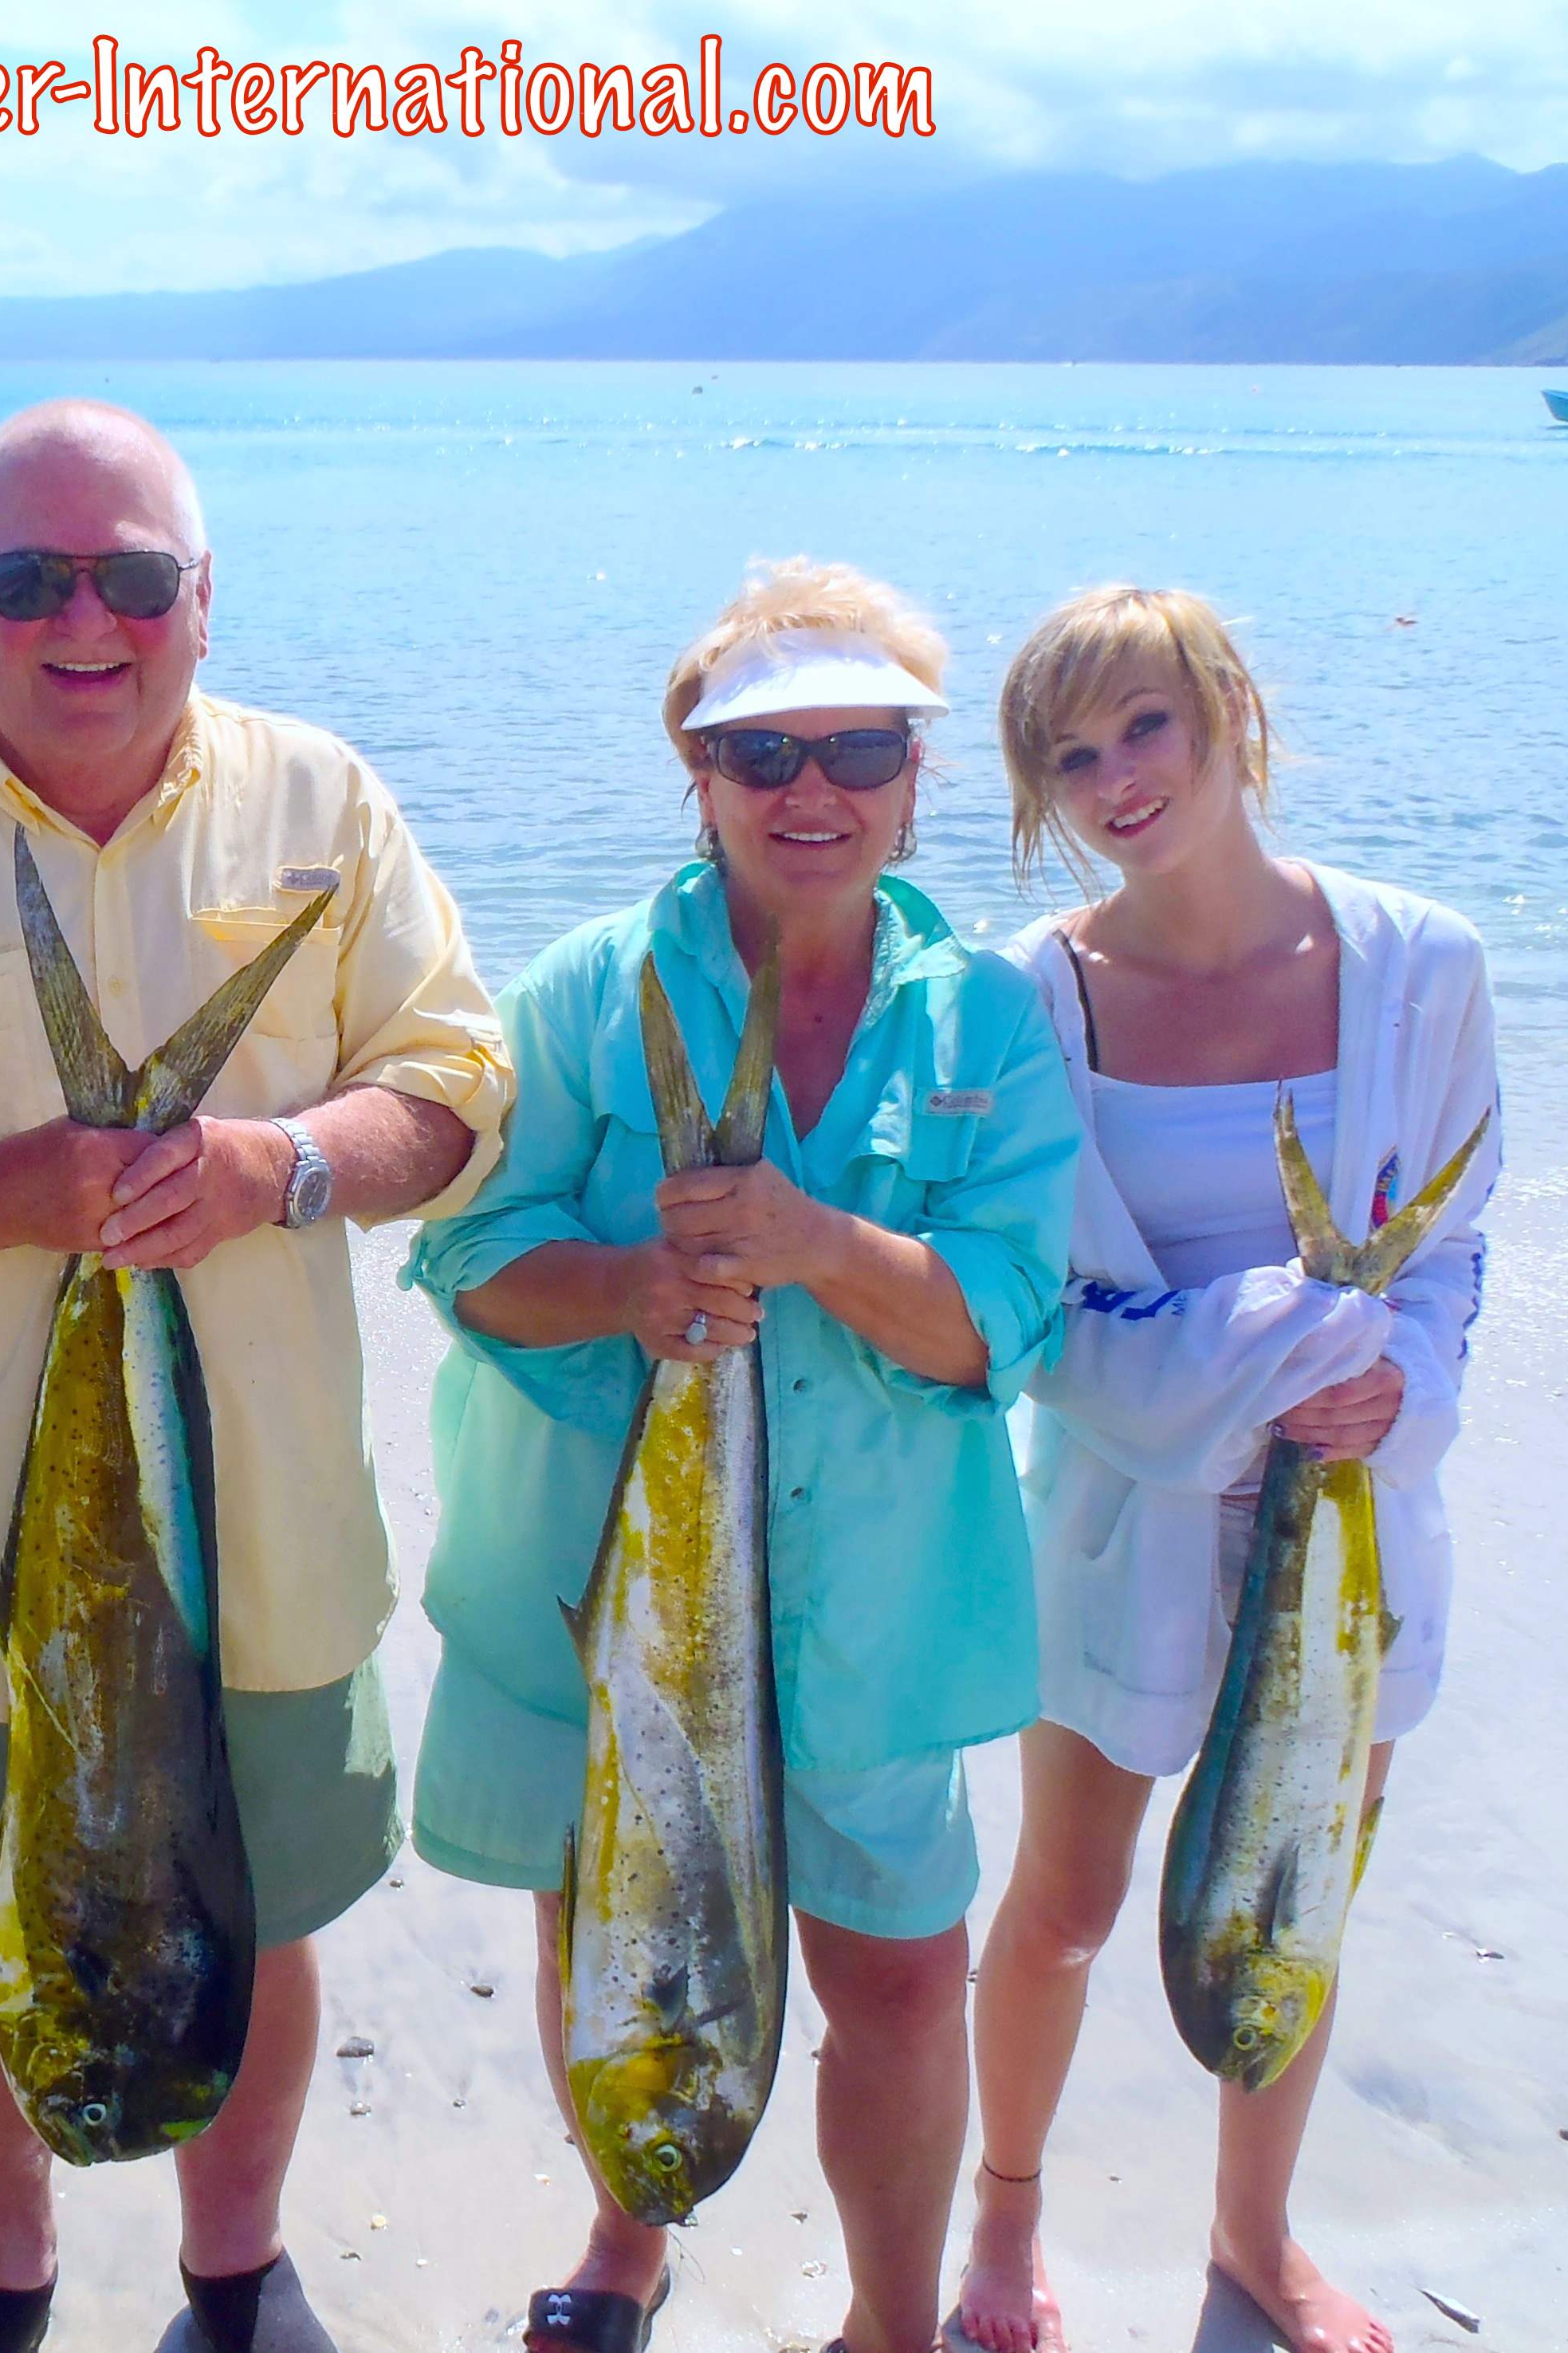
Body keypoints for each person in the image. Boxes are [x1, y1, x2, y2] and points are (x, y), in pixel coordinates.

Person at [0, 399, 510, 2353]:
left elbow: (455, 1086)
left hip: (266, 1546)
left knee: (259, 1926)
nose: (83, 621)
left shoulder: (326, 804)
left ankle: (236, 2268)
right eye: (28, 577)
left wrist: (278, 1165)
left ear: (202, 598)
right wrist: (17, 1189)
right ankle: (0, 2265)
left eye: (131, 578)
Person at [403, 560, 1080, 2353]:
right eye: (762, 753)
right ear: (695, 775)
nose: (811, 791)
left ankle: (888, 2325)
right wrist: (629, 1286)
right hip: (597, 1591)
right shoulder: (582, 989)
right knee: (610, 1939)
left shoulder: (989, 1016)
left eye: (860, 748)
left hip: (875, 1615)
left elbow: (1007, 1322)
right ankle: (625, 2237)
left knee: (900, 1985)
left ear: (918, 774)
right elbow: (467, 1256)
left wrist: (815, 1245)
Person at [956, 588, 1499, 2353]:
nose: (1117, 777)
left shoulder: (1422, 960)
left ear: (1226, 714)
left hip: (1353, 1509)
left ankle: (1255, 2237)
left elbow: (1449, 1248)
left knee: (1291, 1894)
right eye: (1070, 757)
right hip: (1116, 1514)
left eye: (1145, 727)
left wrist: (1397, 1384)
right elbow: (1037, 1306)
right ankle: (1003, 2221)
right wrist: (1267, 1349)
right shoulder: (1024, 997)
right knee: (1064, 1904)